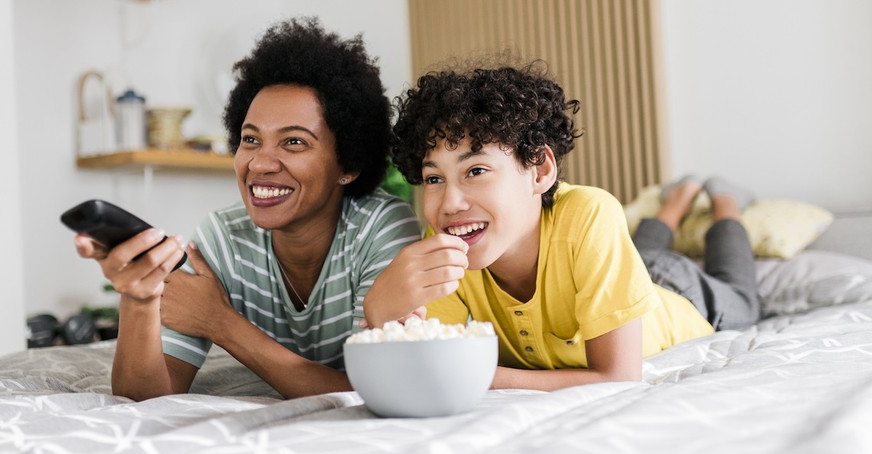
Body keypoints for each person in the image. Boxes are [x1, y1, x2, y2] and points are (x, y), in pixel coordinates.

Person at [74, 17, 421, 400]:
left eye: (293, 142)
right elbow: (146, 396)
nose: (260, 163)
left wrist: (220, 322)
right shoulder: (223, 239)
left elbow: (377, 389)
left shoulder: (382, 228)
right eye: (251, 139)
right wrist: (138, 299)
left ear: (349, 165)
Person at [364, 61, 760, 391]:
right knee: (648, 254)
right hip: (619, 274)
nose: (450, 203)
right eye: (434, 178)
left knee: (741, 297)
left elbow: (618, 376)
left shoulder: (591, 213)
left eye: (477, 170)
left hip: (679, 294)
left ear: (540, 170)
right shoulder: (450, 240)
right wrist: (379, 309)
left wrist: (481, 375)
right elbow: (425, 361)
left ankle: (723, 205)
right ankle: (674, 204)